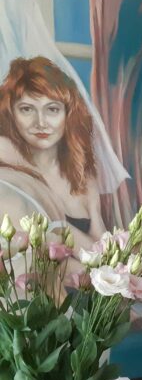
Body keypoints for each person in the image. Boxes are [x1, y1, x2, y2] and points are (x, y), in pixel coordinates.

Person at [0, 56, 106, 246]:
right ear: (11, 114)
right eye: (27, 109)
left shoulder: (82, 176)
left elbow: (102, 245)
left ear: (68, 115)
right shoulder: (7, 164)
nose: (41, 123)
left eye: (52, 110)